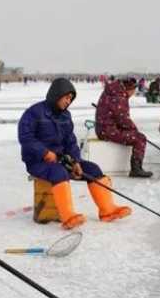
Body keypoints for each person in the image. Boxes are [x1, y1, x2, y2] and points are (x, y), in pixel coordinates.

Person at [18, 78, 131, 229]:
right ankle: (68, 216)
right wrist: (44, 152)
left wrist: (76, 161)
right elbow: (25, 138)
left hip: (61, 160)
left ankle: (108, 210)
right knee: (59, 172)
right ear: (56, 95)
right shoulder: (34, 113)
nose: (68, 101)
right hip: (37, 162)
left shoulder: (65, 116)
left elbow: (70, 141)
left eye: (70, 99)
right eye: (66, 97)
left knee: (93, 169)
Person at [95, 77, 153, 178]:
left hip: (104, 128)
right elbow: (123, 120)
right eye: (133, 91)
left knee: (135, 135)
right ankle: (136, 169)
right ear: (129, 89)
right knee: (140, 138)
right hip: (108, 131)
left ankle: (136, 167)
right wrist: (135, 130)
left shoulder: (111, 92)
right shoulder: (119, 97)